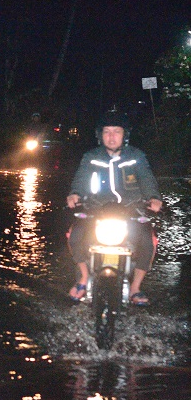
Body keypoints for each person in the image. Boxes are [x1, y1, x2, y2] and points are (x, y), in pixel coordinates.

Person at [65, 110, 163, 305]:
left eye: (116, 131)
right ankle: (83, 277)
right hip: (96, 209)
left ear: (124, 135)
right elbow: (81, 179)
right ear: (100, 135)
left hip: (131, 209)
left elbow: (147, 178)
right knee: (75, 235)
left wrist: (154, 198)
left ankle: (135, 287)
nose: (111, 137)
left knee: (148, 240)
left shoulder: (136, 156)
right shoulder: (91, 157)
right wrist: (74, 193)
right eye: (107, 132)